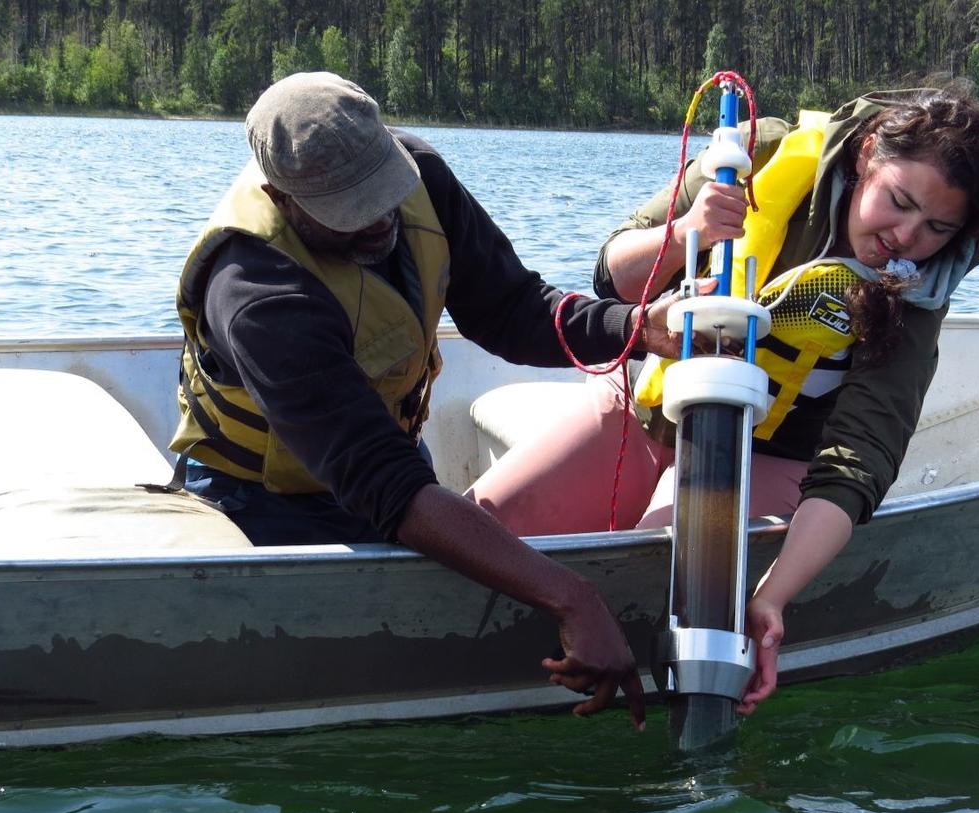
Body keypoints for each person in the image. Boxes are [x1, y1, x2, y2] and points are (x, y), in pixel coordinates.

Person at [165, 72, 694, 729]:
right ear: (282, 194)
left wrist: (638, 326)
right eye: (349, 209)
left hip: (388, 465)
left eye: (383, 193)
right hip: (263, 503)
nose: (380, 218)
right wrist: (572, 597)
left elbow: (512, 308)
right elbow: (388, 485)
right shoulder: (255, 285)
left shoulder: (419, 174)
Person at [467, 82, 979, 714]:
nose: (906, 236)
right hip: (651, 415)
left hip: (770, 458)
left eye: (936, 228)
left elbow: (858, 462)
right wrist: (684, 233)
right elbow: (608, 275)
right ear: (867, 154)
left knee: (662, 577)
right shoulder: (757, 151)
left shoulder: (916, 291)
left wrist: (772, 597)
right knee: (481, 533)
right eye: (898, 202)